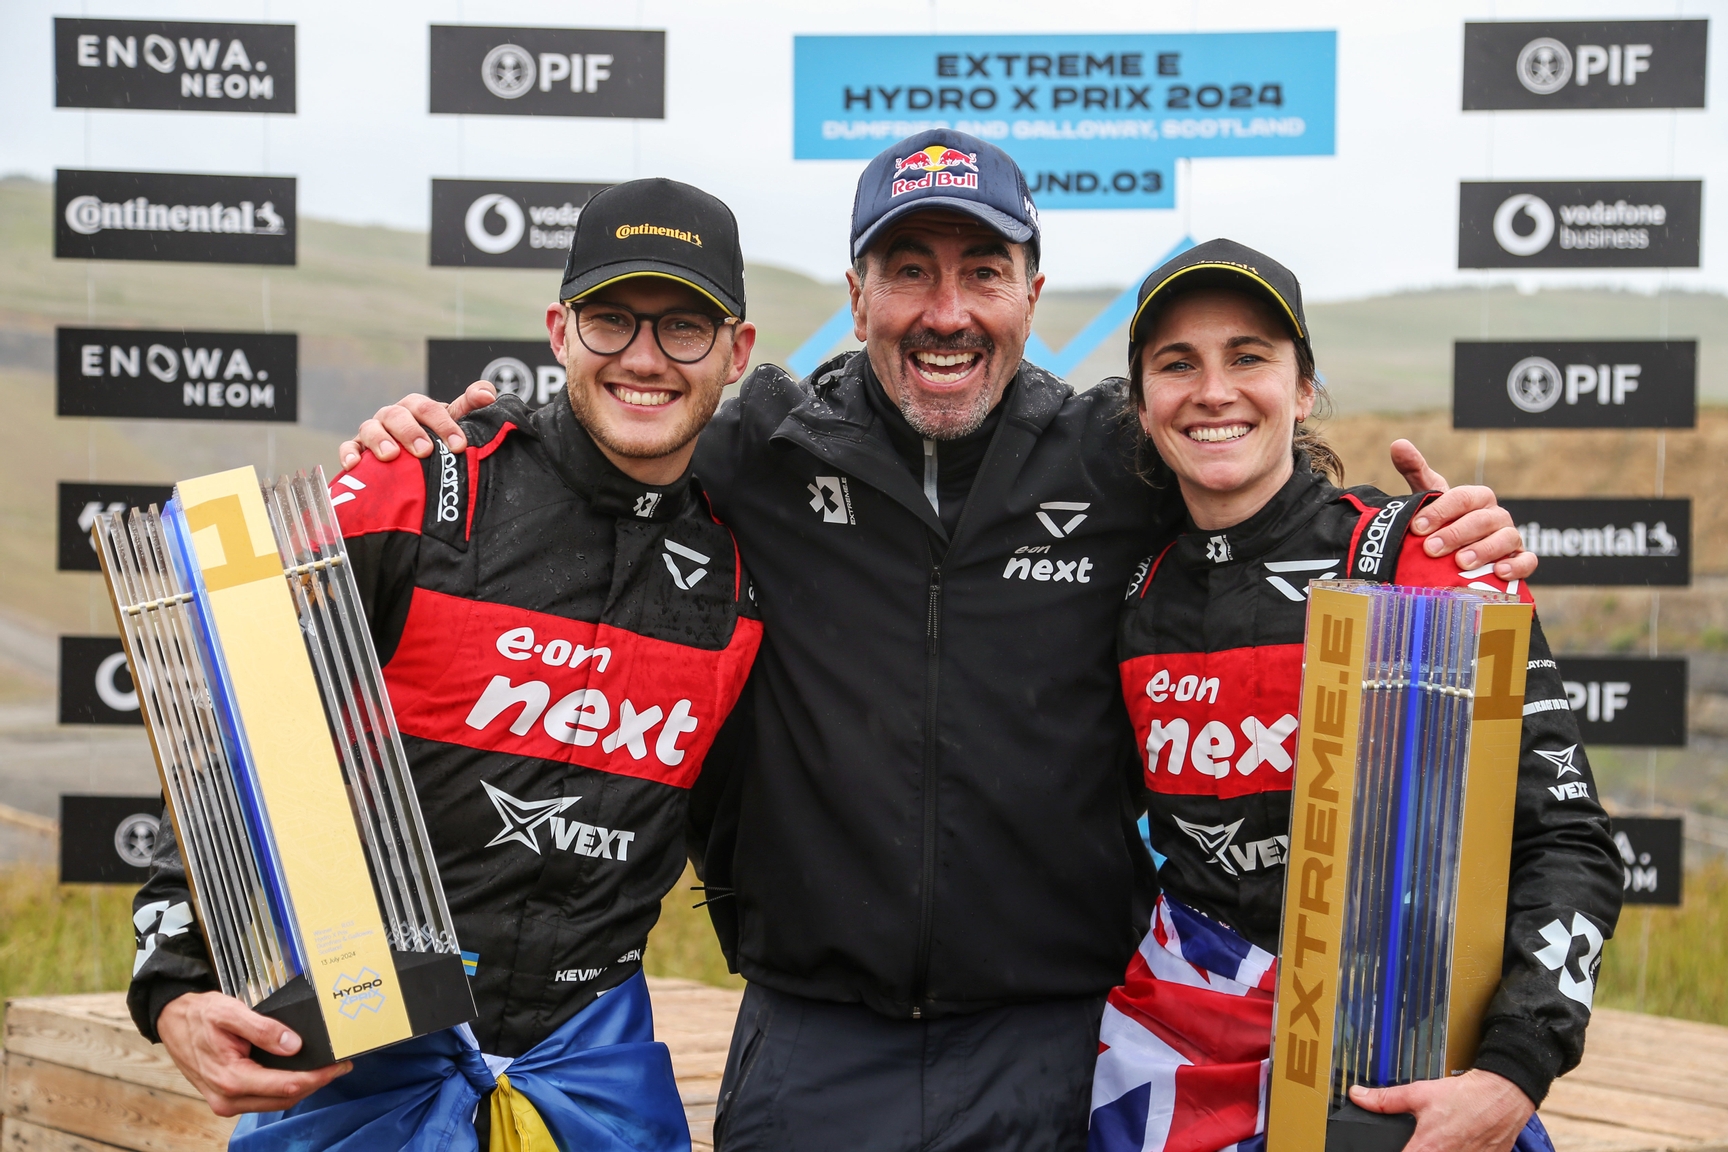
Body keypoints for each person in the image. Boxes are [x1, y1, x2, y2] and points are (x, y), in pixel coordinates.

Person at [345, 131, 1537, 1151]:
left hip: (1056, 1042)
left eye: (983, 269)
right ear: (857, 297)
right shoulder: (757, 449)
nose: (946, 310)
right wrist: (446, 436)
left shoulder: (1119, 458)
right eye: (907, 271)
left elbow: (1259, 473)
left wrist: (1444, 534)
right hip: (812, 1039)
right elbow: (604, 433)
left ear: (1032, 291)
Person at [129, 178, 763, 1150]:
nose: (644, 358)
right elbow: (240, 731)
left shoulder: (750, 561)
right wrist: (172, 982)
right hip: (361, 1050)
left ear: (737, 353)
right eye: (610, 321)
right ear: (559, 331)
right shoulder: (415, 481)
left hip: (591, 1063)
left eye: (684, 327)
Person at [1087, 240, 1621, 1152]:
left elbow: (1567, 841)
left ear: (1302, 389)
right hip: (1169, 1068)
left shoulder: (1426, 559)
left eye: (1249, 356)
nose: (1214, 390)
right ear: (1142, 406)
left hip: (1391, 1066)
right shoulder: (1128, 593)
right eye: (1178, 364)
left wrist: (1512, 1072)